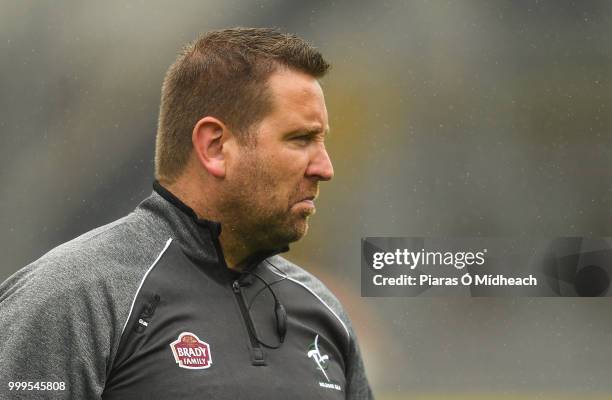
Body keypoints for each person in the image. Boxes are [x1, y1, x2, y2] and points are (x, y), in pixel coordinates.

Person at [0, 27, 373, 399]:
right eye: (300, 139)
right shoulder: (74, 297)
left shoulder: (323, 312)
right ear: (215, 147)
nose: (325, 167)